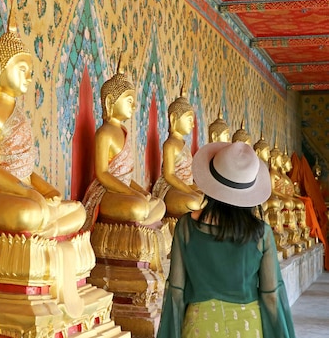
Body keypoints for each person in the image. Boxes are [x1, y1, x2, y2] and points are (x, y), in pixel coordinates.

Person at [0, 10, 85, 249]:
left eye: (30, 72)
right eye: (23, 69)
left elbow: (26, 170)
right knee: (30, 213)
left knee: (79, 212)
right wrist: (27, 192)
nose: (29, 77)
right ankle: (43, 229)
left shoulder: (21, 115)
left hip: (25, 191)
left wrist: (46, 189)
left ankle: (45, 232)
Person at [157, 142, 296, 338]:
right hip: (248, 327)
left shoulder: (186, 227)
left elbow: (176, 291)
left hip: (199, 326)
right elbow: (271, 295)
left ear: (211, 181)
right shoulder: (261, 233)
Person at [81, 68, 165, 231]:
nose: (134, 106)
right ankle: (141, 221)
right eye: (129, 100)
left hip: (123, 191)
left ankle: (141, 223)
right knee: (139, 206)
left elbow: (124, 176)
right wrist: (131, 193)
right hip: (105, 192)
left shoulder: (123, 132)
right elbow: (103, 174)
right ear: (110, 101)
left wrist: (140, 191)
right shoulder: (104, 133)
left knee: (158, 204)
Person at [151, 89, 203, 217]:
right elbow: (169, 175)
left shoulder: (184, 144)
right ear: (174, 118)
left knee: (210, 198)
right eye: (189, 120)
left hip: (186, 186)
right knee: (194, 201)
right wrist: (189, 191)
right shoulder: (169, 144)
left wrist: (191, 189)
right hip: (171, 188)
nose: (192, 125)